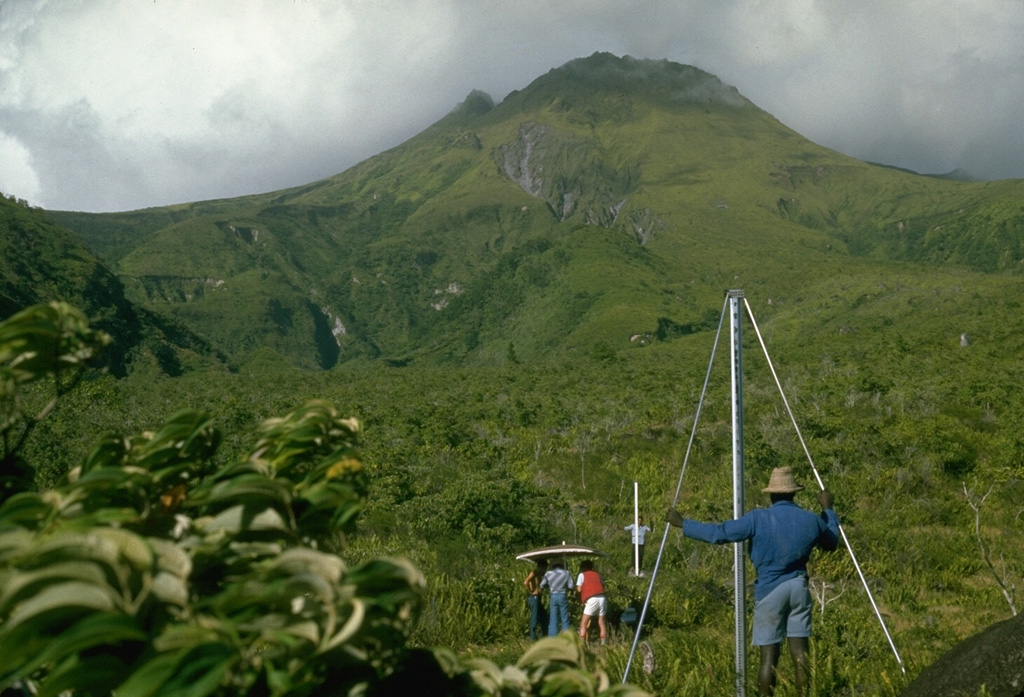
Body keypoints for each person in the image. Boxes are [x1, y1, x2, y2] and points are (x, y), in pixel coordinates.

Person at [666, 466, 839, 697]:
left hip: (770, 590)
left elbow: (720, 534)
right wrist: (827, 509)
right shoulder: (810, 519)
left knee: (769, 657)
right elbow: (831, 543)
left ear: (771, 494)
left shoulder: (758, 518)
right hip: (799, 587)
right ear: (794, 493)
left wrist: (684, 523)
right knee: (800, 655)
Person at [575, 559, 608, 645]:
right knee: (602, 623)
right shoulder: (597, 574)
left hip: (591, 599)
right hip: (602, 598)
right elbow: (602, 585)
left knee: (583, 623)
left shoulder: (581, 575)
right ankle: (604, 644)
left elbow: (579, 589)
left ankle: (581, 645)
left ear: (583, 567)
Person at [540, 560, 574, 636]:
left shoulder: (548, 573)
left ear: (553, 566)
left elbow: (541, 585)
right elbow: (571, 586)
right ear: (562, 566)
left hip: (553, 595)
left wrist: (549, 586)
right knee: (565, 618)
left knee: (553, 618)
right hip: (562, 595)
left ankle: (552, 638)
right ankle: (566, 637)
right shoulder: (566, 573)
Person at [523, 559, 548, 641]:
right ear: (541, 567)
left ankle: (545, 634)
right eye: (544, 568)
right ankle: (532, 637)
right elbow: (526, 582)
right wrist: (531, 591)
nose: (545, 570)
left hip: (538, 597)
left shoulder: (540, 575)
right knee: (534, 617)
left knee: (544, 616)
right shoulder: (534, 573)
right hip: (534, 597)